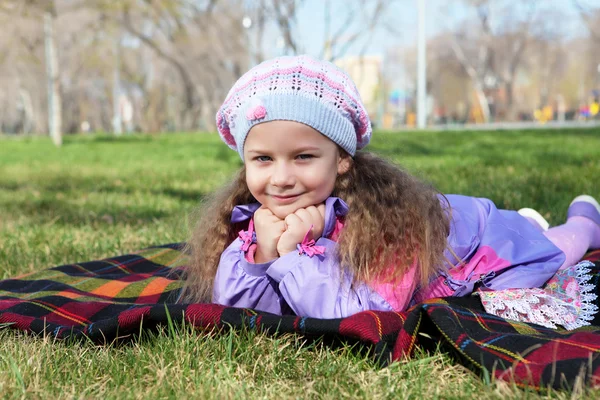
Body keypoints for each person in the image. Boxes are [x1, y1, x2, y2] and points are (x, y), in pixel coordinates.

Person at [180, 55, 600, 319]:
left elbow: (369, 312)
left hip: (480, 241)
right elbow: (234, 312)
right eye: (263, 159)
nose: (281, 177)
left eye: (303, 156)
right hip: (460, 227)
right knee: (529, 231)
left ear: (342, 158)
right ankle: (530, 220)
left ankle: (583, 218)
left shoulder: (383, 223)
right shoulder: (262, 219)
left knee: (552, 252)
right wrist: (263, 254)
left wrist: (291, 255)